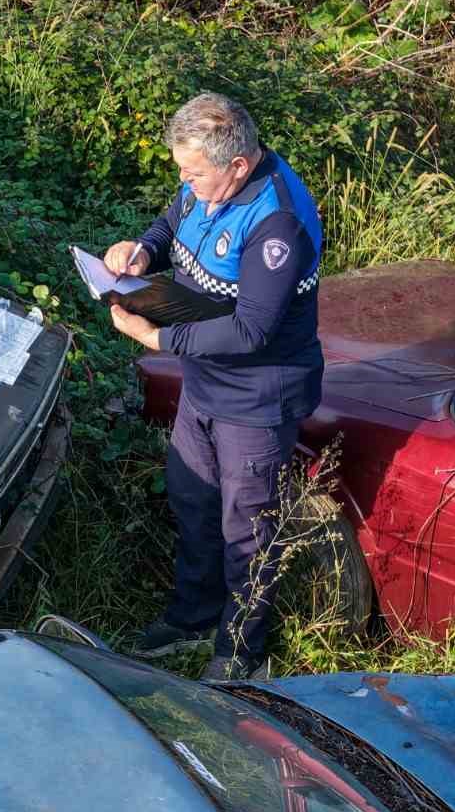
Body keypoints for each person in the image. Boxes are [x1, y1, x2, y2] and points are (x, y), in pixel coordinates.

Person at [103, 92, 324, 680]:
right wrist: (143, 251)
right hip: (204, 383)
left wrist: (159, 340)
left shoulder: (277, 222)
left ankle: (241, 653)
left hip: (256, 396)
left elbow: (251, 330)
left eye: (194, 173)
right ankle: (194, 616)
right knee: (193, 498)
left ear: (238, 165)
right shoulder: (205, 183)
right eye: (182, 171)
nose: (185, 182)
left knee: (246, 529)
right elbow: (171, 222)